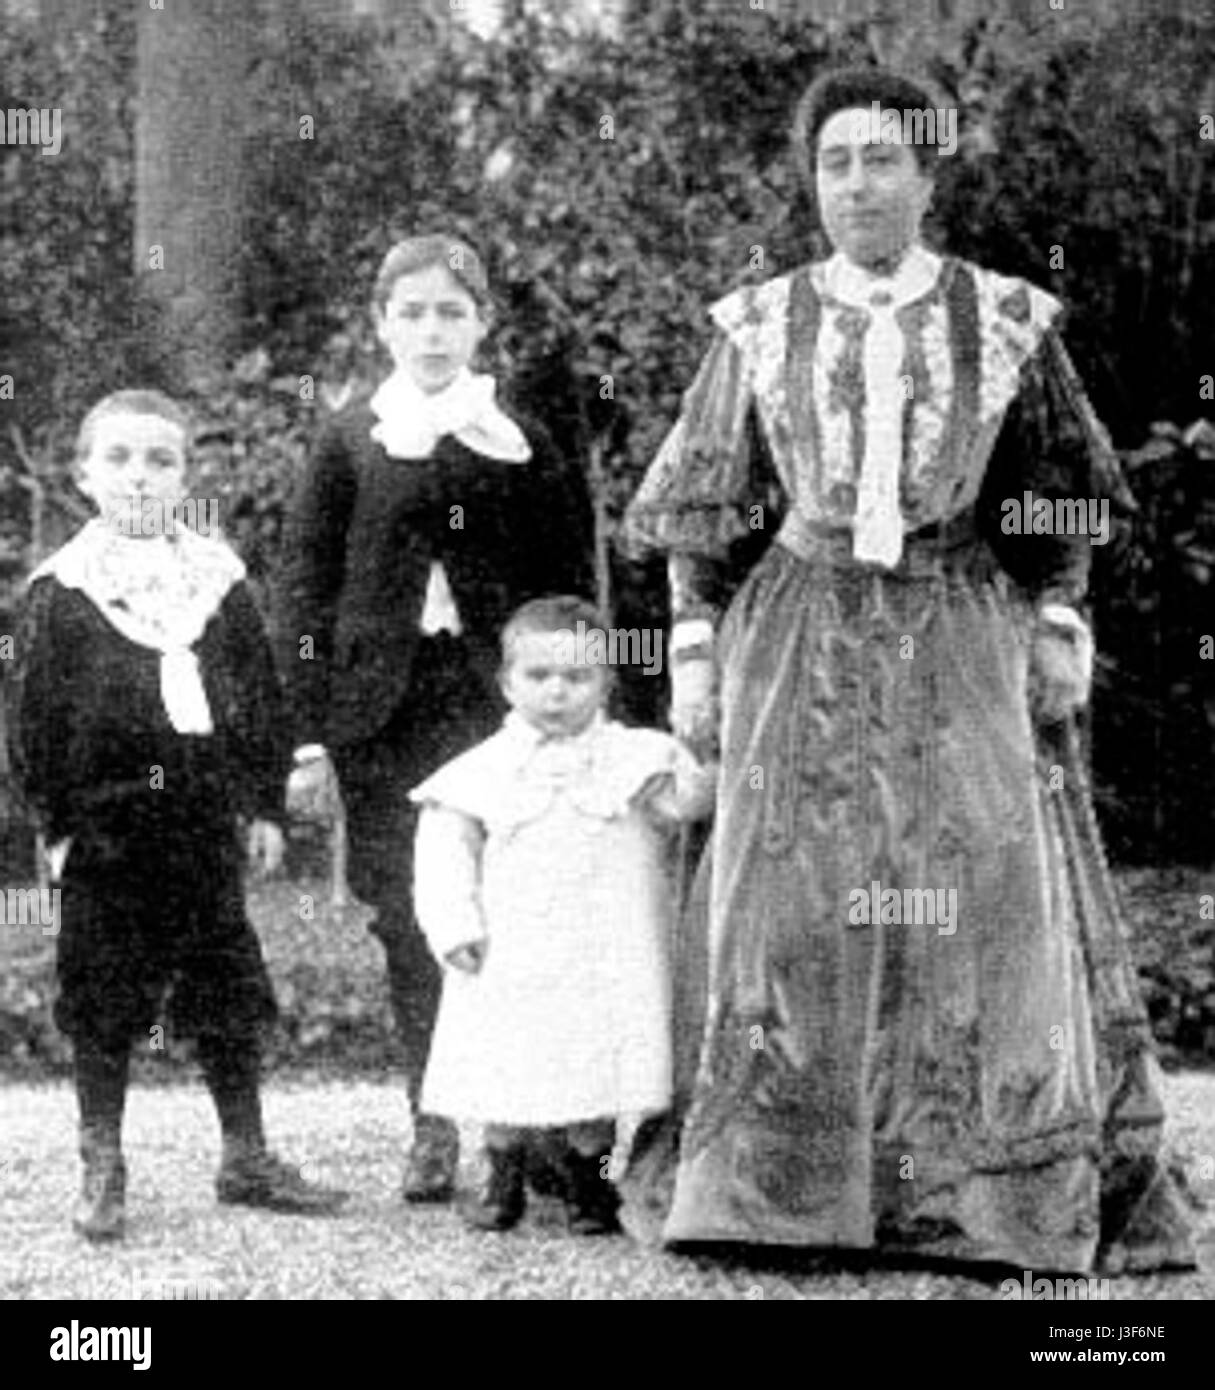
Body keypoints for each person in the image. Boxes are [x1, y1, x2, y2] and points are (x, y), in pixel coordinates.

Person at [620, 65, 1196, 1274]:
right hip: (797, 633)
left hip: (960, 626)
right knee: (792, 903)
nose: (857, 184)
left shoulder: (1002, 318)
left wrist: (1057, 618)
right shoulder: (762, 324)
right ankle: (773, 1194)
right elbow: (709, 503)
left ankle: (978, 1201)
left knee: (983, 894)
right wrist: (690, 651)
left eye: (883, 159)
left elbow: (1057, 489)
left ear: (930, 175)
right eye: (834, 162)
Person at [277, 236, 594, 1201]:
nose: (429, 330)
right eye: (409, 312)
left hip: (496, 709)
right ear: (380, 324)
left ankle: (531, 1128)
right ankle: (431, 1118)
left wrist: (573, 694)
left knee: (519, 907)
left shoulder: (518, 435)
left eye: (450, 312)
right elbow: (303, 588)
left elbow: (568, 580)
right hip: (385, 716)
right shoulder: (347, 436)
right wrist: (310, 732)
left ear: (481, 324)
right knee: (411, 916)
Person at [9, 389, 347, 1242]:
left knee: (225, 979)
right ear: (84, 476)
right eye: (118, 459)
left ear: (185, 476)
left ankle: (245, 1152)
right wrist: (54, 827)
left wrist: (263, 804)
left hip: (201, 819)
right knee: (104, 991)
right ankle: (102, 1160)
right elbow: (31, 720)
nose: (139, 476)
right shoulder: (62, 592)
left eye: (161, 461)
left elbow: (258, 698)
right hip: (106, 825)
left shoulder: (217, 581)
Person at [409, 595, 715, 1233]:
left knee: (593, 1066)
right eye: (538, 678)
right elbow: (444, 854)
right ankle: (502, 1174)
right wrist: (455, 926)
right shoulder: (481, 772)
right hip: (514, 953)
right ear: (507, 683)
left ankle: (590, 1181)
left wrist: (701, 748)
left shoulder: (635, 758)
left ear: (606, 680)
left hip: (602, 951)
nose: (557, 694)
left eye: (577, 679)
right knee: (509, 1063)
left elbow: (687, 805)